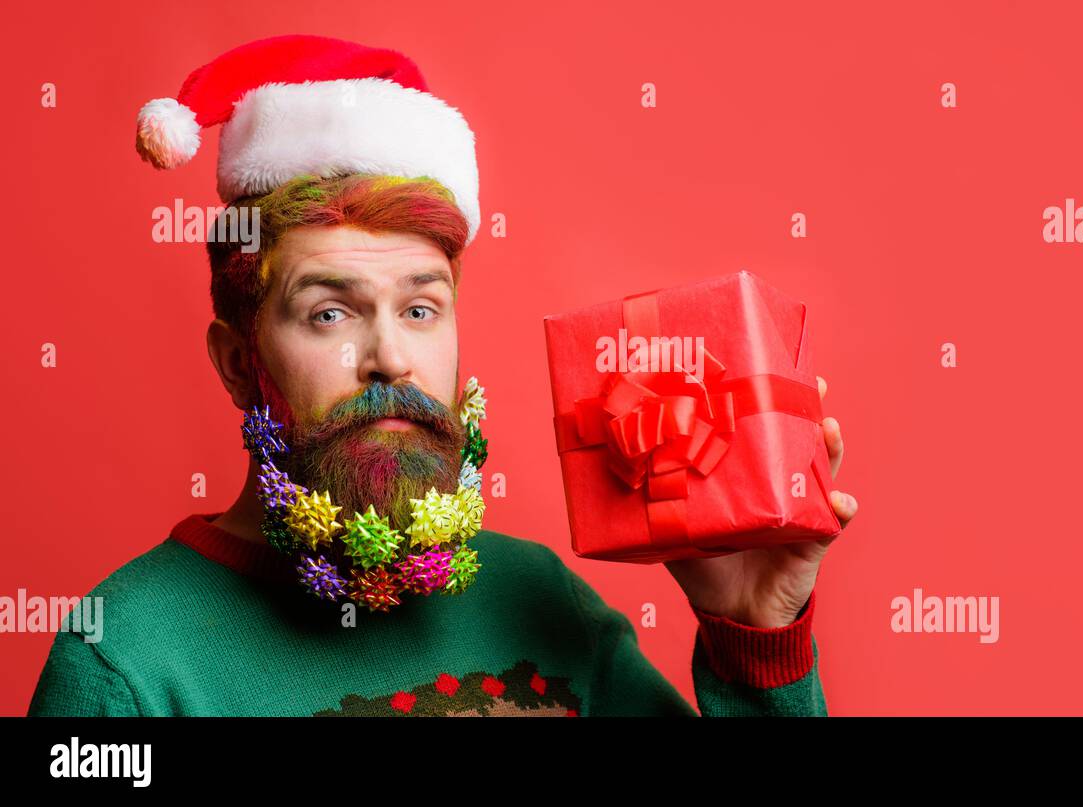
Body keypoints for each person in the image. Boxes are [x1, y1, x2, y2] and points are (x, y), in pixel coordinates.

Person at [27, 34, 858, 717]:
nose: (391, 357)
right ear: (241, 362)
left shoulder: (541, 598)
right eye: (330, 313)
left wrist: (756, 635)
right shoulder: (125, 664)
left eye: (420, 310)